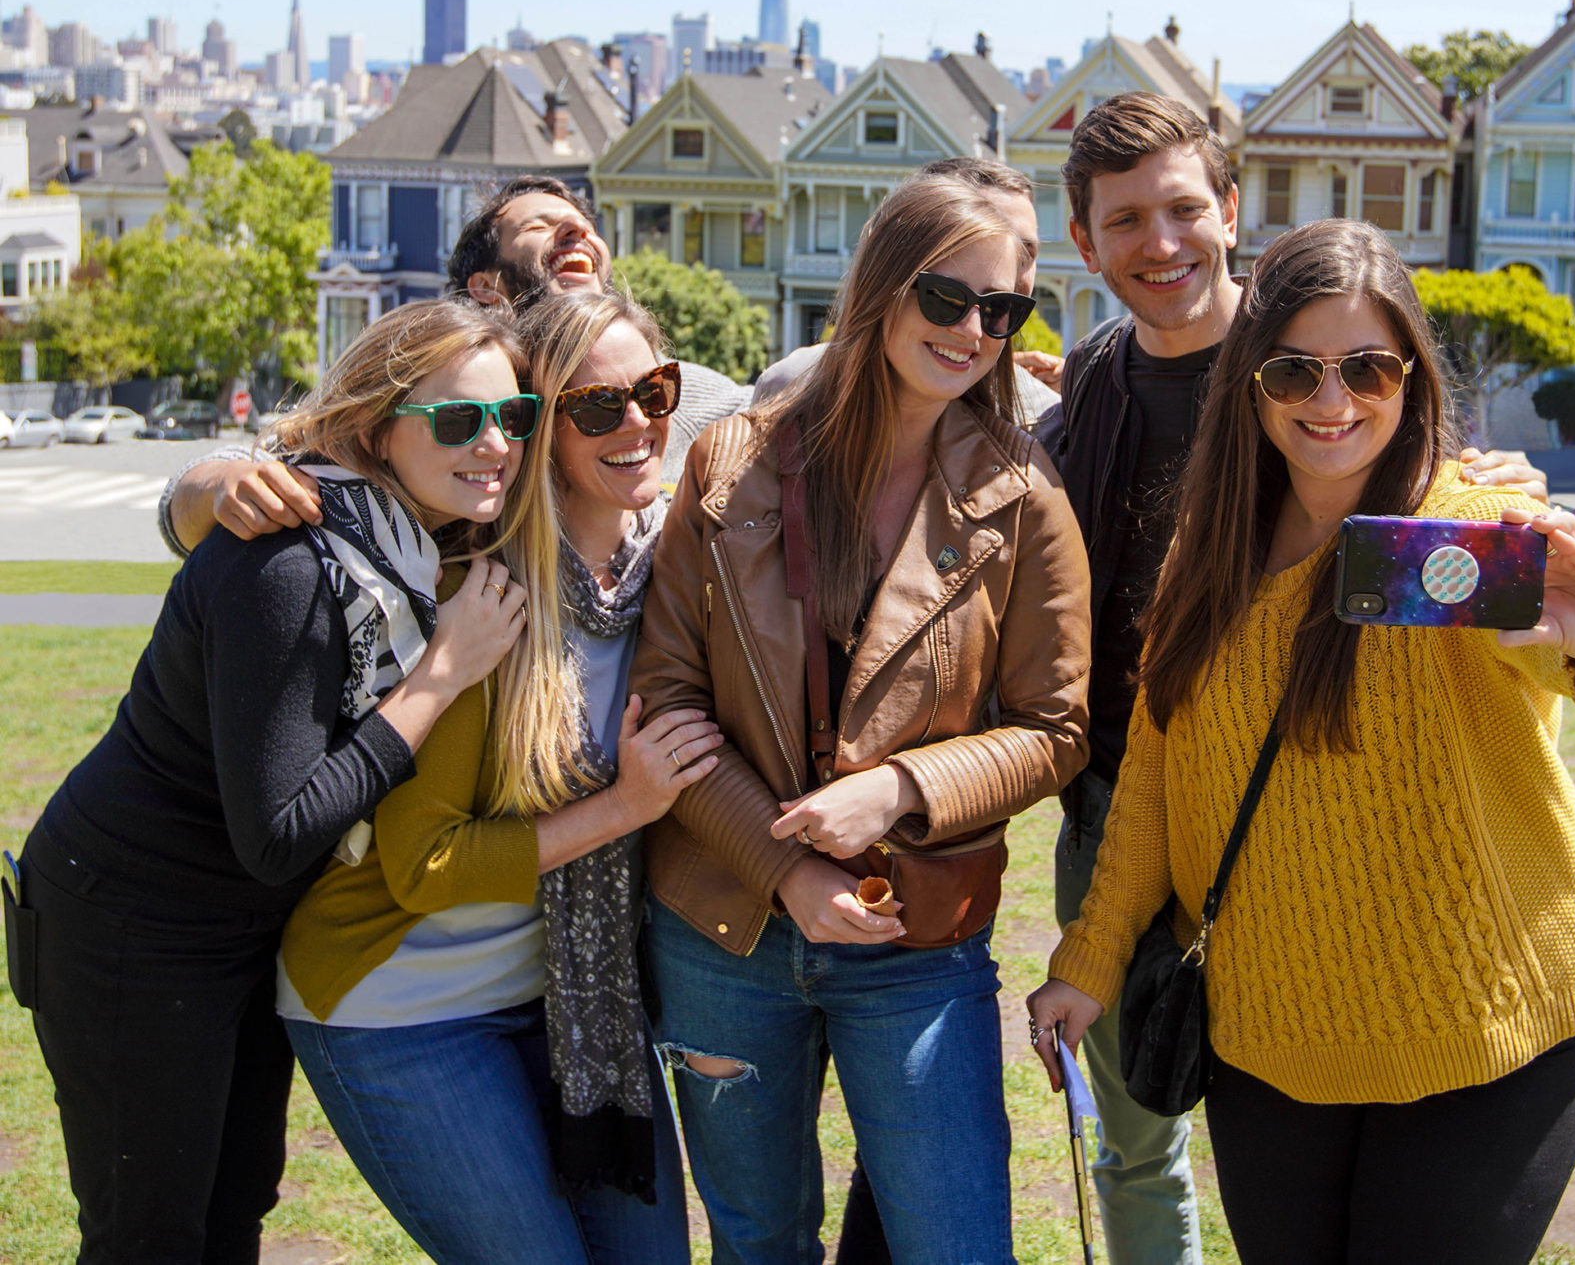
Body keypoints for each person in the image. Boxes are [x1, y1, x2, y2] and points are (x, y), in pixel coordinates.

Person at [1028, 220, 1575, 1265]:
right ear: (1249, 381)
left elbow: (1563, 660)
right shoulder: (1208, 552)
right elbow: (1153, 776)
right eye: (1294, 370)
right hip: (1272, 1039)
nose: (1331, 402)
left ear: (1409, 376)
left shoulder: (1465, 527)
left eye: (1366, 367)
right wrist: (1088, 958)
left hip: (1485, 1027)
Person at [629, 162, 1091, 1264]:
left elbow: (1056, 725)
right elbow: (668, 696)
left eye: (1001, 309)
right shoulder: (730, 462)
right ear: (880, 285)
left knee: (956, 1242)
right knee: (759, 1242)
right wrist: (785, 864)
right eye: (947, 296)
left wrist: (898, 788)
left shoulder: (1021, 496)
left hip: (913, 931)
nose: (973, 330)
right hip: (724, 927)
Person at [14, 299, 539, 1263]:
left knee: (234, 1206)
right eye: (461, 420)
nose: (496, 444)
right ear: (378, 428)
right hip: (134, 919)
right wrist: (442, 677)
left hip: (241, 930)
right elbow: (280, 829)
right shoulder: (293, 557)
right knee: (151, 1233)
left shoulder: (408, 546)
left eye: (517, 416)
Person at [275, 288, 718, 1263]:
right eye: (596, 406)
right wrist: (623, 808)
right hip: (397, 1001)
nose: (638, 422)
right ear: (538, 432)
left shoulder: (669, 578)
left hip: (565, 999)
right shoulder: (481, 601)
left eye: (655, 389)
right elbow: (421, 864)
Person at [158, 175, 750, 551]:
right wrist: (218, 487)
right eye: (540, 226)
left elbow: (784, 410)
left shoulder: (675, 392)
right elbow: (275, 456)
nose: (576, 229)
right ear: (486, 288)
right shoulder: (449, 396)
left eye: (587, 229)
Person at [752, 157, 1063, 428]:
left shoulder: (1042, 420)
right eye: (973, 231)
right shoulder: (791, 390)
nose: (1002, 259)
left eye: (1026, 251)